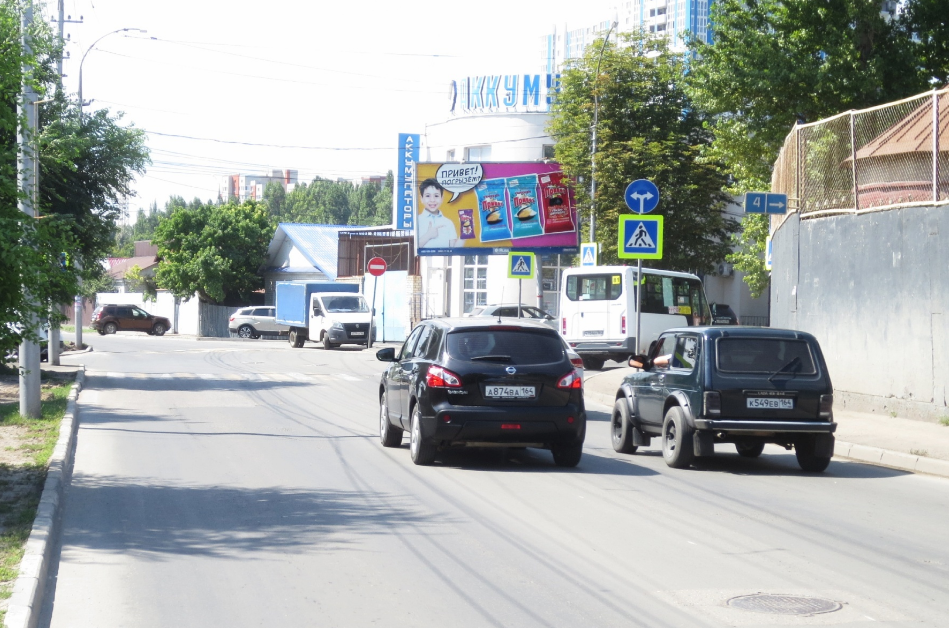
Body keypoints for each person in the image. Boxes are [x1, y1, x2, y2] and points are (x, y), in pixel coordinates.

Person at [417, 179, 459, 248]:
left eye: (436, 196)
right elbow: (411, 247)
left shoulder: (448, 222)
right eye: (428, 196)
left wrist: (464, 236)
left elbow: (453, 249)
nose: (432, 200)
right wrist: (428, 235)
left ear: (442, 198)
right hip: (422, 258)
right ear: (421, 198)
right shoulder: (417, 220)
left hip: (444, 258)